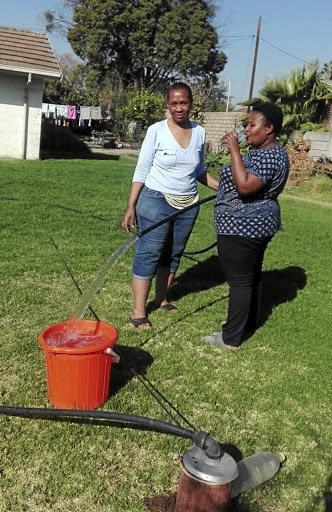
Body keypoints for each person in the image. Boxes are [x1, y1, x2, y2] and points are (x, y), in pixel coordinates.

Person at [122, 82, 218, 328]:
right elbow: (142, 168)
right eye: (174, 103)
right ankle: (138, 310)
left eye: (183, 103)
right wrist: (131, 205)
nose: (179, 108)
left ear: (190, 104)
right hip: (155, 201)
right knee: (149, 253)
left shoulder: (199, 132)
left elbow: (198, 170)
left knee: (173, 254)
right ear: (167, 105)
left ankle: (161, 298)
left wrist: (223, 187)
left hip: (188, 205)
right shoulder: (156, 130)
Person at [202, 102, 290, 349]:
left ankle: (230, 338)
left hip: (244, 226)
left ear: (269, 128)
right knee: (250, 276)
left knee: (240, 281)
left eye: (253, 125)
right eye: (247, 124)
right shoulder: (266, 152)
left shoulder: (271, 155)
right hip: (252, 223)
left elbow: (245, 186)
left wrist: (234, 151)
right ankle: (244, 323)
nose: (247, 130)